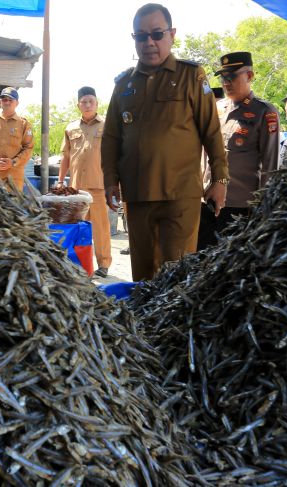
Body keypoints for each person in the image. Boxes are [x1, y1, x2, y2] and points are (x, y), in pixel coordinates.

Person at [101, 3, 228, 281]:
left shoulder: (191, 76)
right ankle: (142, 326)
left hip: (180, 196)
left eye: (157, 34)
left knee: (177, 277)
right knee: (144, 278)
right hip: (137, 196)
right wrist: (110, 180)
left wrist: (220, 180)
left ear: (172, 34)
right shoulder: (123, 85)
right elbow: (111, 137)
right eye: (141, 36)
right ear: (134, 38)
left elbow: (211, 131)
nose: (149, 42)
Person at [196, 51, 280, 251]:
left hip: (239, 207)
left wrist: (263, 209)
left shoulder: (265, 112)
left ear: (249, 76)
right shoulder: (216, 109)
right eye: (223, 77)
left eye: (232, 76)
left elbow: (271, 166)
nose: (226, 82)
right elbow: (203, 154)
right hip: (207, 202)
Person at [58, 86, 112, 278]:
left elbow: (116, 155)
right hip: (75, 188)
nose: (87, 105)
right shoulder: (71, 127)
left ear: (97, 103)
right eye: (83, 101)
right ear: (78, 104)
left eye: (91, 101)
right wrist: (61, 181)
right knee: (77, 226)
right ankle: (78, 264)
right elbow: (65, 156)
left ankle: (104, 264)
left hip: (98, 186)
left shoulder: (108, 125)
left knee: (100, 227)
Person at [0, 87, 34, 191]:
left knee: (13, 205)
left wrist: (13, 162)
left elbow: (28, 148)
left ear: (17, 103)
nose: (7, 102)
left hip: (13, 177)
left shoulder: (24, 124)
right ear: (0, 102)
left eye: (11, 100)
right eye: (4, 99)